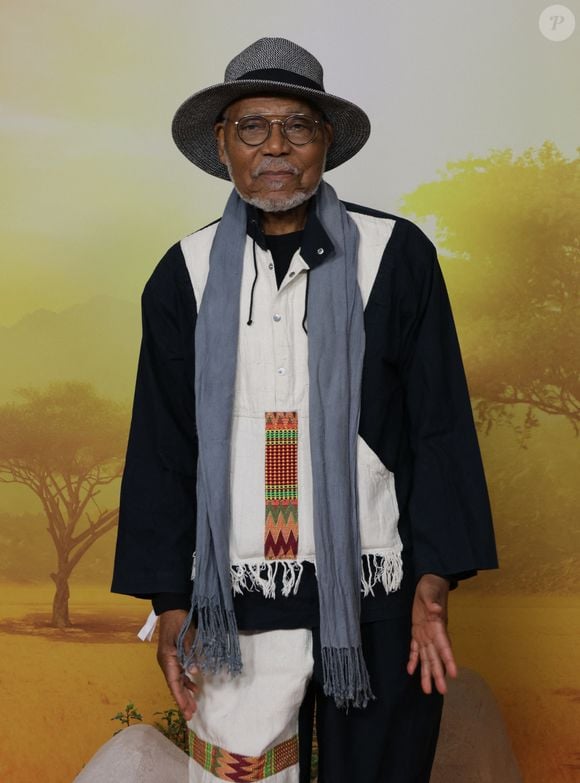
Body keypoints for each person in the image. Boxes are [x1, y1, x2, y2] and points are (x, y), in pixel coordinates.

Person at [111, 37, 498, 783]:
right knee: (240, 775)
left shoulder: (395, 254)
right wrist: (167, 602)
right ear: (223, 143)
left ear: (326, 142)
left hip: (379, 592)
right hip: (236, 594)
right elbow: (164, 443)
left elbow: (437, 422)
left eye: (298, 125)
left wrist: (435, 578)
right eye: (253, 127)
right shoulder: (183, 276)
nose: (276, 146)